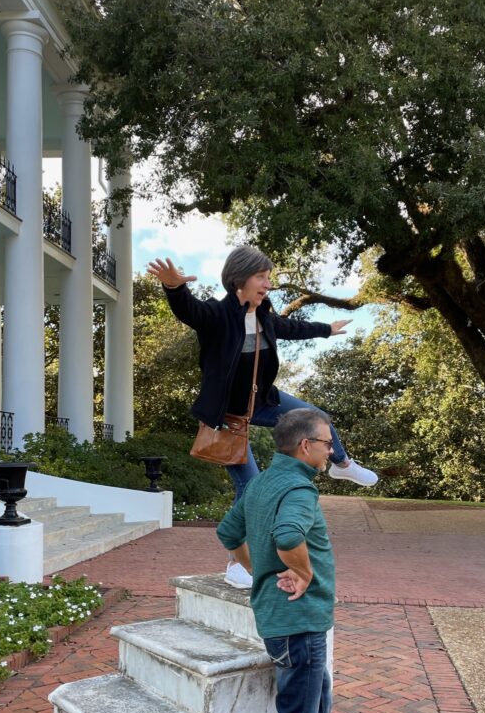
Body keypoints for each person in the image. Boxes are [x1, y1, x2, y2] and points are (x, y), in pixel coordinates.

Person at [148, 245, 378, 589]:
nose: (267, 283)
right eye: (261, 276)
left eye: (268, 277)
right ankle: (237, 564)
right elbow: (189, 310)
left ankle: (341, 464)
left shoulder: (265, 316)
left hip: (264, 402)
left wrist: (326, 330)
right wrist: (174, 288)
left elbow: (292, 327)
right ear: (239, 278)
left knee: (317, 417)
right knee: (251, 487)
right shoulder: (217, 315)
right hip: (228, 415)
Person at [216, 408, 366, 713]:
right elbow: (287, 536)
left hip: (285, 618)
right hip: (297, 623)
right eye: (327, 443)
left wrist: (257, 568)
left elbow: (229, 531)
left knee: (316, 705)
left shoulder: (261, 481)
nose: (331, 451)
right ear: (305, 446)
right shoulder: (299, 489)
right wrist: (298, 573)